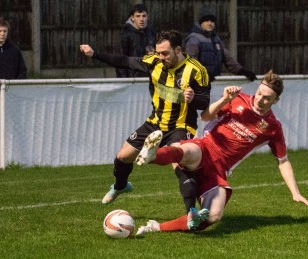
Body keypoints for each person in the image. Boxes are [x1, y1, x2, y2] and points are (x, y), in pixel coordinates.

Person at [135, 70, 308, 235]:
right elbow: (205, 116)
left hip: (219, 169)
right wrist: (224, 100)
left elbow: (283, 161)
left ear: (276, 101)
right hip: (205, 147)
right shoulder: (237, 99)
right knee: (186, 151)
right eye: (259, 93)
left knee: (213, 216)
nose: (260, 99)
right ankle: (153, 155)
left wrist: (295, 192)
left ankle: (156, 227)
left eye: (267, 98)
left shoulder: (273, 127)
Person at [79, 30, 211, 224]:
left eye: (165, 53)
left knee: (180, 165)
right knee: (123, 157)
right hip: (154, 123)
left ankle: (192, 213)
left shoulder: (197, 70)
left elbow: (205, 103)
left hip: (181, 126)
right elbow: (124, 61)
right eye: (158, 52)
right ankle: (121, 185)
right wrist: (94, 54)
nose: (161, 57)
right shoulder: (154, 62)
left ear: (178, 50)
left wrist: (193, 99)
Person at [184, 6, 256, 82]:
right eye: (206, 21)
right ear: (201, 23)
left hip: (214, 81)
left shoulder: (216, 39)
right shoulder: (194, 39)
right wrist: (203, 74)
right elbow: (191, 61)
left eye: (212, 21)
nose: (210, 23)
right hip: (198, 83)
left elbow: (228, 59)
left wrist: (242, 71)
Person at [116, 3, 156, 78]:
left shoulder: (152, 33)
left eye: (144, 16)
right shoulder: (125, 35)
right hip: (132, 78)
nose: (141, 19)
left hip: (150, 77)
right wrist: (124, 81)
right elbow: (120, 61)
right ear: (132, 18)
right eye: (138, 16)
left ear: (147, 17)